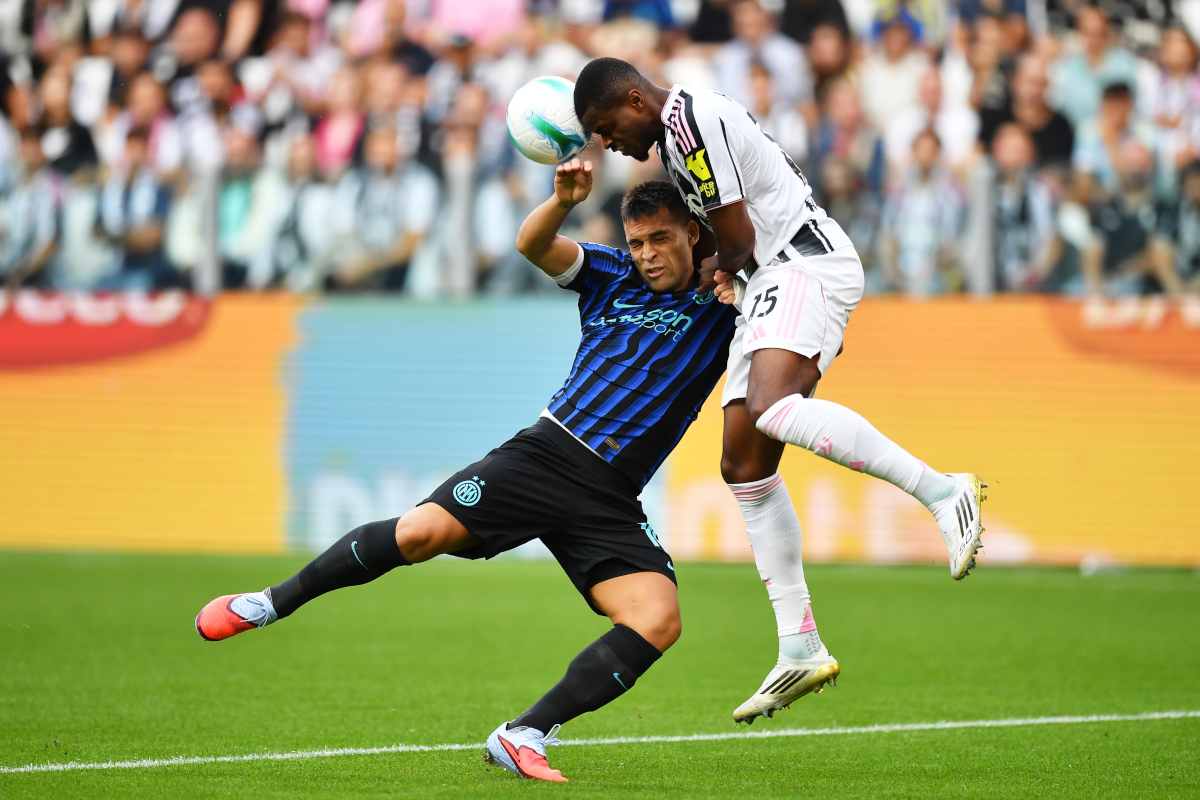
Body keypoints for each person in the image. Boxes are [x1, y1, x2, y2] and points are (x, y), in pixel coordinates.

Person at [195, 167, 739, 782]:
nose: (646, 254)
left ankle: (524, 733)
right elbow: (532, 245)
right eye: (637, 242)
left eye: (659, 240)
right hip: (547, 454)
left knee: (657, 617)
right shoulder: (612, 275)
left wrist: (739, 280)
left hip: (611, 495)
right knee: (418, 535)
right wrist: (562, 201)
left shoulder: (729, 295)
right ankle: (267, 603)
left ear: (692, 234)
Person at [573, 56, 987, 724]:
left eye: (605, 126)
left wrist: (707, 268)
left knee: (770, 409)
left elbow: (734, 236)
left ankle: (943, 491)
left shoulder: (689, 123)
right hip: (771, 279)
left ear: (632, 98)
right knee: (742, 463)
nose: (607, 142)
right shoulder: (679, 138)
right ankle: (800, 644)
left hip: (802, 264)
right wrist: (715, 265)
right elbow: (729, 233)